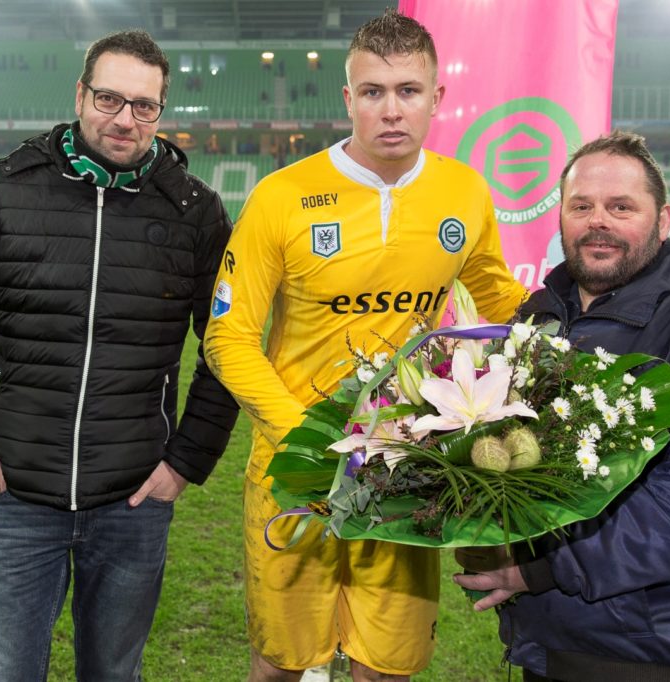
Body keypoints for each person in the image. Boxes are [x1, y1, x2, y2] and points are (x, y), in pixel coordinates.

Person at [203, 9, 527, 682]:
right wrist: (310, 437)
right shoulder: (281, 197)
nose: (391, 110)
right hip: (295, 470)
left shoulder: (464, 191)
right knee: (281, 664)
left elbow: (499, 302)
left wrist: (583, 335)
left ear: (437, 97)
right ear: (348, 98)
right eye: (373, 92)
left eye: (408, 90)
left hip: (405, 468)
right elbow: (227, 337)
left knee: (386, 667)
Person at [0, 30, 239, 680]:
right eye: (109, 98)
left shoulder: (195, 212)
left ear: (160, 110)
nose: (125, 118)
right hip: (14, 498)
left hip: (133, 504)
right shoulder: (6, 188)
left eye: (144, 105)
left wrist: (186, 463)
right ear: (80, 94)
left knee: (113, 674)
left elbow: (227, 344)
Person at [454, 131, 670, 681]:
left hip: (664, 655)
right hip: (550, 647)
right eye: (581, 206)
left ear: (662, 222)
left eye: (621, 207)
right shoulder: (535, 319)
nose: (598, 221)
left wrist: (545, 568)